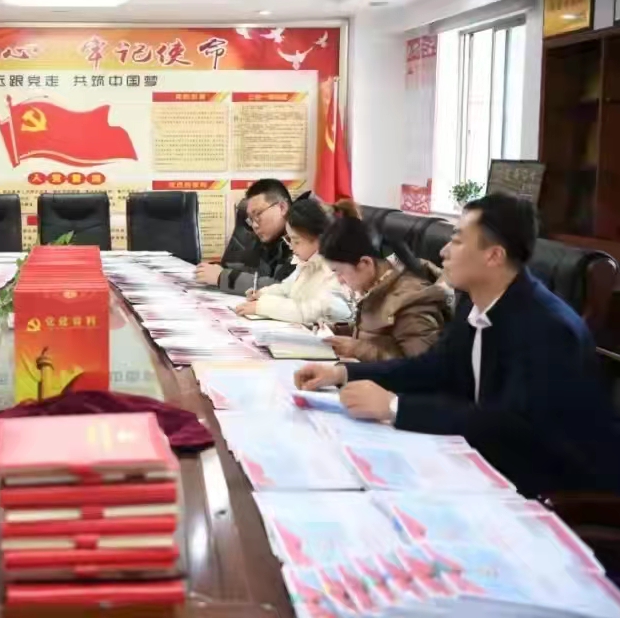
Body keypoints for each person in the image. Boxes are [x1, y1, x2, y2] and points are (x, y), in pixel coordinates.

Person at [294, 194, 620, 496]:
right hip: (483, 463)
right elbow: (433, 367)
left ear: (493, 255)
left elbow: (508, 425)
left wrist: (395, 407)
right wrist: (344, 374)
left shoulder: (547, 328)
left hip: (553, 494)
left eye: (458, 240)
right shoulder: (476, 304)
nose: (444, 252)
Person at [318, 207, 450, 361]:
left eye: (339, 272)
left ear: (365, 263)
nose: (339, 280)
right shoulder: (379, 284)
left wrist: (357, 349)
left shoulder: (412, 300)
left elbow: (422, 367)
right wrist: (336, 331)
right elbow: (377, 333)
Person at [233, 197, 352, 325]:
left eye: (296, 241)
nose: (291, 247)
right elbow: (286, 288)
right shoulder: (306, 263)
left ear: (321, 240)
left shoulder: (335, 270)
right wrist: (262, 294)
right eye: (289, 239)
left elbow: (312, 311)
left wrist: (262, 306)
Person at [196, 179, 295, 295]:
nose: (254, 225)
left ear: (282, 207)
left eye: (258, 214)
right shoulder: (271, 240)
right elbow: (256, 272)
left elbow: (283, 288)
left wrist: (222, 277)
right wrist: (218, 270)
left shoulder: (303, 236)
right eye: (251, 219)